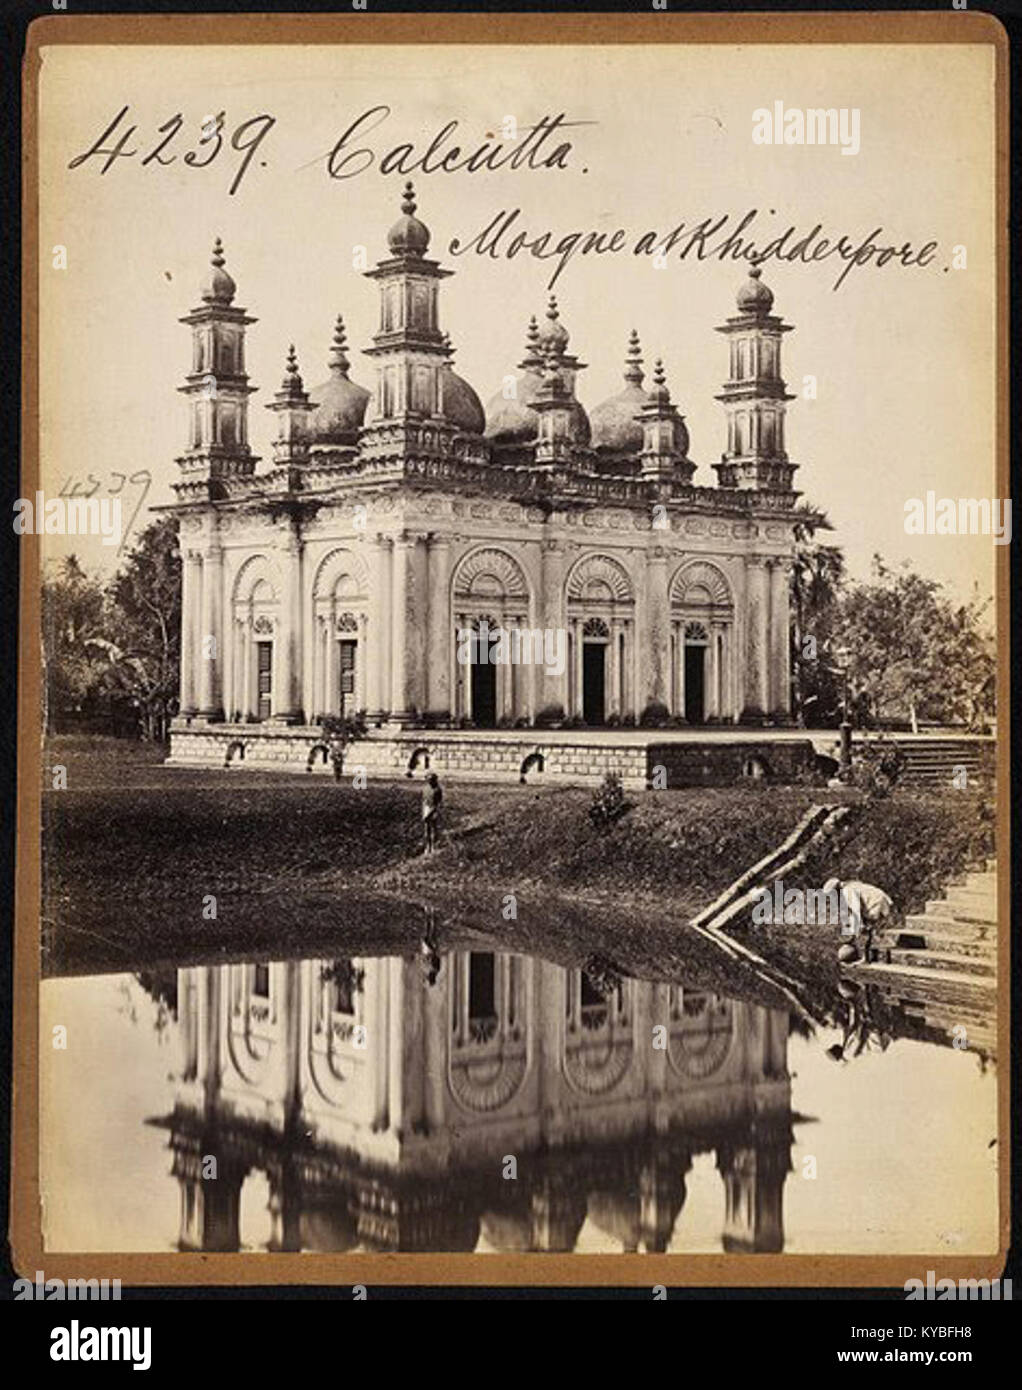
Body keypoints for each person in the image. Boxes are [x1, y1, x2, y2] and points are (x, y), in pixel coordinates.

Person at [824, 876, 893, 961]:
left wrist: (857, 929)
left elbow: (856, 911)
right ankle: (872, 957)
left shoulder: (847, 891)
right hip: (878, 903)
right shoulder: (850, 886)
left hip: (877, 904)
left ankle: (866, 957)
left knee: (866, 932)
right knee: (869, 931)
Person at [421, 772, 443, 856]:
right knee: (427, 830)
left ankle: (434, 846)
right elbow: (423, 801)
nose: (429, 781)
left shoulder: (437, 789)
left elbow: (438, 803)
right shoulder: (425, 788)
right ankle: (427, 846)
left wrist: (432, 812)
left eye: (431, 780)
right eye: (428, 780)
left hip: (434, 809)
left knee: (434, 829)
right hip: (427, 808)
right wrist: (424, 812)